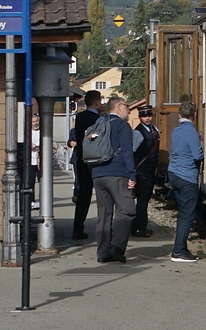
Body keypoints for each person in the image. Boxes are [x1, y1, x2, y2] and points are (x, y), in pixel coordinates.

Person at [91, 96, 138, 264]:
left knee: (104, 214)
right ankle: (117, 248)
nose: (129, 110)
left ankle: (102, 252)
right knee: (126, 210)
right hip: (117, 174)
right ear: (118, 107)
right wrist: (132, 175)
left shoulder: (99, 124)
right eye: (127, 106)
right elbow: (127, 152)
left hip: (98, 174)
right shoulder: (122, 126)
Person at [165, 101, 203, 263]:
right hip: (187, 176)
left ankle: (181, 248)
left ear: (180, 115)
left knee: (182, 214)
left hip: (174, 174)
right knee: (187, 215)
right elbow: (197, 156)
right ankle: (179, 251)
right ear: (194, 115)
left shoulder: (176, 131)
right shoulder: (192, 133)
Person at [67, 90, 103, 241]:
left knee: (84, 196)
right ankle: (105, 229)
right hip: (98, 161)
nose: (101, 104)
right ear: (95, 102)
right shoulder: (100, 119)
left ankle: (78, 228)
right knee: (103, 195)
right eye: (100, 101)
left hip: (82, 159)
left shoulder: (80, 117)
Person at [129, 106, 161, 237]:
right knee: (142, 201)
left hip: (150, 170)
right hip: (142, 171)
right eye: (144, 116)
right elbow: (133, 152)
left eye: (149, 115)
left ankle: (140, 225)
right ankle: (139, 227)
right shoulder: (137, 132)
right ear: (140, 117)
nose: (148, 118)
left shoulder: (154, 129)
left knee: (145, 199)